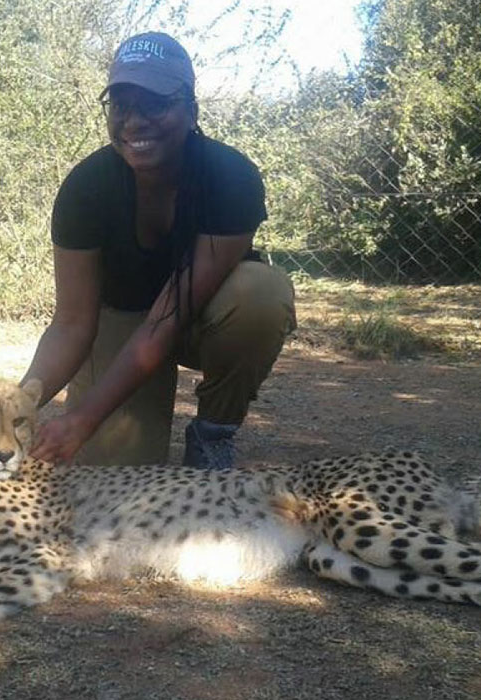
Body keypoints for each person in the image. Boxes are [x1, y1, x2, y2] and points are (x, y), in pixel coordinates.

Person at [23, 31, 296, 470]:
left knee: (262, 293)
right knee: (117, 478)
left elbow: (167, 320)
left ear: (191, 109)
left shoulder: (231, 179)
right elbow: (71, 324)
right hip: (119, 322)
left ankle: (213, 434)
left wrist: (85, 417)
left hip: (201, 321)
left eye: (154, 103)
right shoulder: (86, 188)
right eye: (121, 104)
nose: (134, 120)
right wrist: (15, 406)